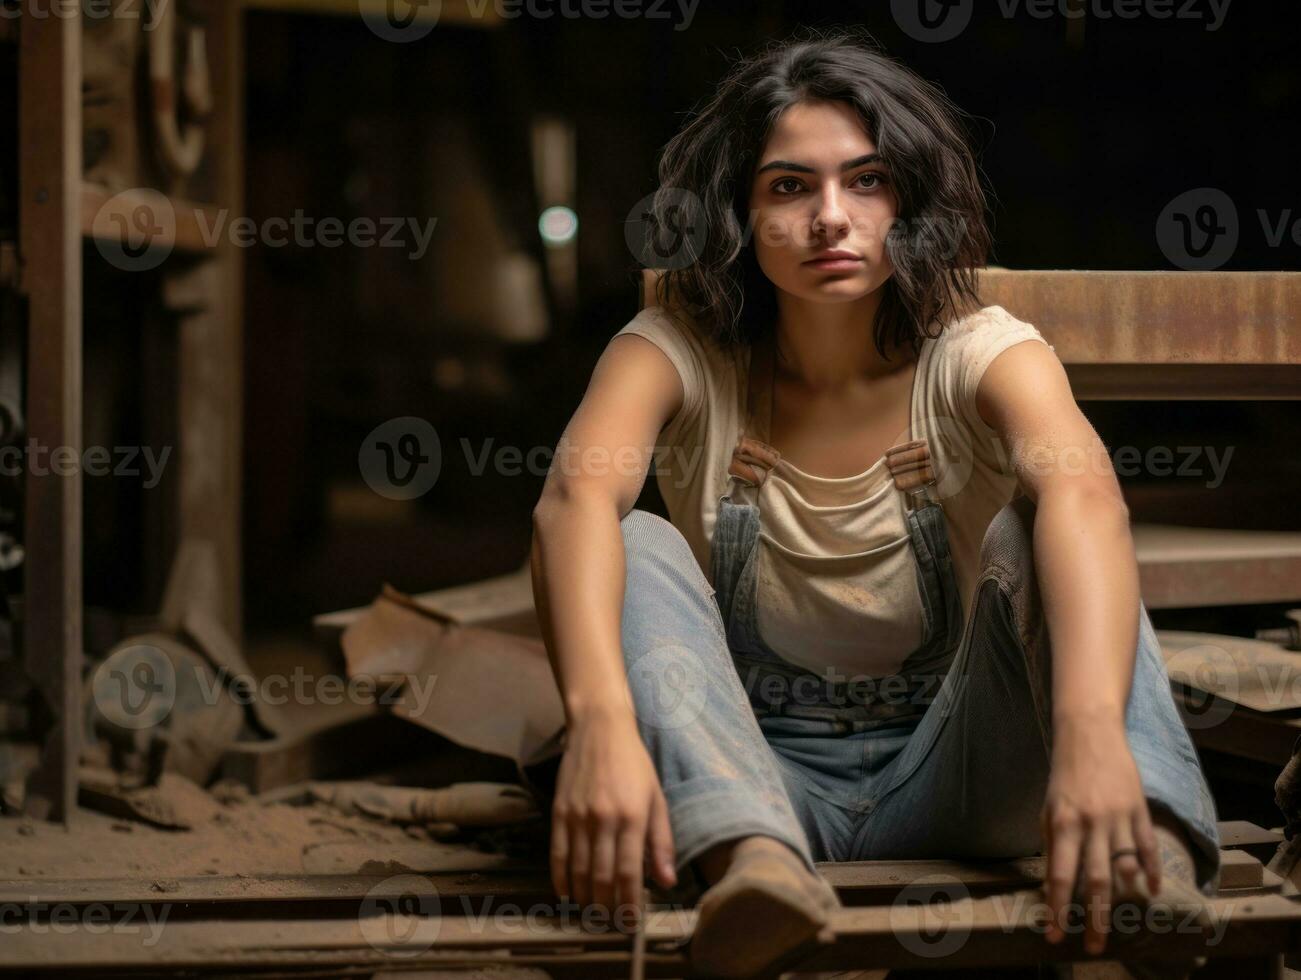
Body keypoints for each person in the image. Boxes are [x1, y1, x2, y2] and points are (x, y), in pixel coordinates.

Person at [529, 28, 1221, 979]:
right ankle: (755, 874)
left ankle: (1148, 855)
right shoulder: (676, 348)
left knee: (1040, 522)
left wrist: (1091, 737)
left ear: (910, 200)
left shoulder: (977, 346)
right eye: (787, 186)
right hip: (753, 779)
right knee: (633, 537)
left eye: (865, 180)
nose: (829, 217)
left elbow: (1085, 493)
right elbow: (571, 499)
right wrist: (600, 724)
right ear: (737, 208)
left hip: (966, 772)